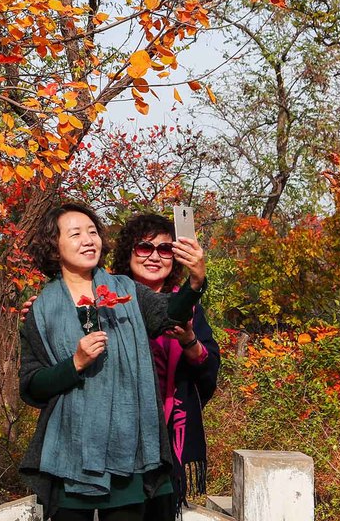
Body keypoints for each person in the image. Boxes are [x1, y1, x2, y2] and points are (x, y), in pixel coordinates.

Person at [19, 202, 207, 521]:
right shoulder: (41, 309)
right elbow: (32, 387)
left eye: (93, 232)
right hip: (70, 456)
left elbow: (170, 314)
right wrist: (75, 363)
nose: (88, 239)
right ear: (55, 246)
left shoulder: (126, 291)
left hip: (130, 454)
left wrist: (195, 281)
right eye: (75, 233)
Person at [112, 213, 220, 512]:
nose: (154, 257)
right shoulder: (107, 300)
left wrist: (187, 340)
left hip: (167, 435)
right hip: (115, 436)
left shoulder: (188, 306)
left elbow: (208, 372)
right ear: (128, 253)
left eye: (165, 249)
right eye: (144, 247)